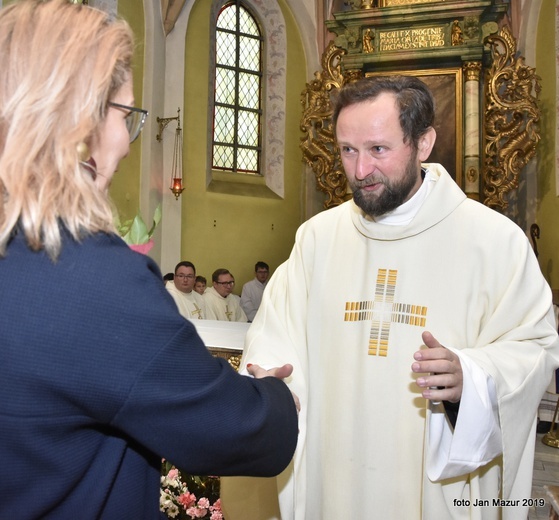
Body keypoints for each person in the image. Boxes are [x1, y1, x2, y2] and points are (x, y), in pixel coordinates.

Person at [0, 1, 298, 519]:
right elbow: (223, 427)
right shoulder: (91, 278)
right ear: (82, 124)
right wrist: (278, 400)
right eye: (127, 115)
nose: (127, 141)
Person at [221, 75, 559, 519]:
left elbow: (533, 349)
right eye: (347, 150)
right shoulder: (317, 240)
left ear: (423, 143)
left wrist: (472, 379)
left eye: (378, 149)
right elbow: (276, 336)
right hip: (333, 480)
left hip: (434, 494)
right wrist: (273, 383)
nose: (360, 171)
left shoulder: (493, 243)